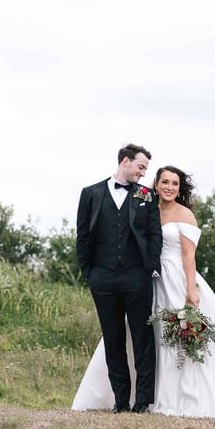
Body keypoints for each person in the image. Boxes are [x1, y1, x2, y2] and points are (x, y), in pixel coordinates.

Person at [72, 164, 215, 421]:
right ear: (156, 184)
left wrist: (190, 291)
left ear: (179, 187)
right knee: (140, 337)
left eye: (174, 183)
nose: (169, 188)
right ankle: (134, 396)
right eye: (164, 182)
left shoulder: (185, 215)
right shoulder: (145, 208)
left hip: (176, 279)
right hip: (145, 280)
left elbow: (188, 256)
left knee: (177, 338)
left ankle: (184, 396)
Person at [74, 143, 162, 414]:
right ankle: (120, 401)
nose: (143, 173)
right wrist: (89, 272)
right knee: (113, 340)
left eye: (145, 168)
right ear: (125, 161)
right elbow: (83, 236)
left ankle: (143, 400)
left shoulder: (146, 195)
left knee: (142, 338)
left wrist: (150, 266)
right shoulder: (90, 194)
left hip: (137, 276)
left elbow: (154, 233)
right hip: (102, 278)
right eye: (141, 166)